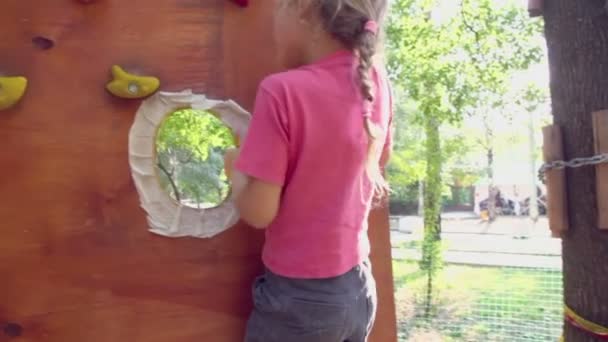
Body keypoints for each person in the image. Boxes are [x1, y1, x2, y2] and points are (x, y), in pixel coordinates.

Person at [223, 0, 393, 341]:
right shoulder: (376, 82)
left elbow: (259, 212)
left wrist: (236, 170)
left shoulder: (282, 90)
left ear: (302, 8)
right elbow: (377, 162)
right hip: (358, 290)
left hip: (299, 301)